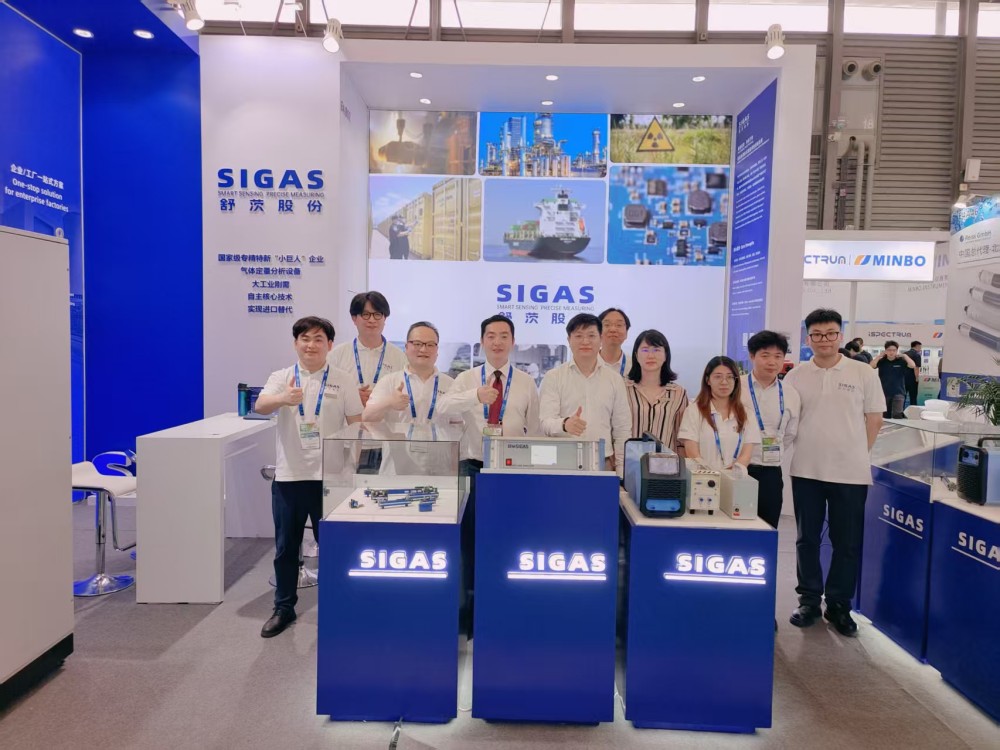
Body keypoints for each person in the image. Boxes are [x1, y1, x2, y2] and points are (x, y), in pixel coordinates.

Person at [254, 316, 363, 638]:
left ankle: (338, 607)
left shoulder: (343, 379)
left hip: (331, 478)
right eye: (304, 338)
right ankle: (283, 607)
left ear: (329, 345)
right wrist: (283, 399)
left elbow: (356, 422)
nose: (311, 345)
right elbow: (260, 405)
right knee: (286, 548)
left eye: (318, 339)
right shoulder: (282, 377)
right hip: (290, 476)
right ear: (295, 343)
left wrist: (354, 466)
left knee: (334, 547)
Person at [783, 309, 884, 637]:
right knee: (807, 538)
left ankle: (839, 604)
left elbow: (875, 418)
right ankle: (809, 600)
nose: (823, 340)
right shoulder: (796, 375)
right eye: (816, 334)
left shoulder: (863, 372)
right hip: (806, 469)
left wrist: (857, 452)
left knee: (847, 542)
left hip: (850, 473)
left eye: (830, 333)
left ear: (841, 335)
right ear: (808, 338)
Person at [437, 315, 541, 633]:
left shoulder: (526, 382)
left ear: (512, 341)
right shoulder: (466, 378)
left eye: (504, 336)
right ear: (482, 341)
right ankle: (469, 612)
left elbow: (534, 431)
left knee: (507, 542)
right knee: (468, 543)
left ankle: (504, 608)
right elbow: (442, 408)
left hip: (511, 473)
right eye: (491, 336)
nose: (497, 342)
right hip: (472, 468)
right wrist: (475, 396)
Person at [539, 313, 632, 474]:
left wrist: (622, 472)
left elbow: (622, 429)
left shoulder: (614, 379)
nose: (585, 341)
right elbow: (545, 422)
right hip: (562, 461)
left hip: (602, 462)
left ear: (601, 339)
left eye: (591, 335)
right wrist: (565, 424)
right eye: (578, 336)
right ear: (569, 340)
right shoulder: (553, 377)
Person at [740, 331, 800, 529]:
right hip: (738, 469)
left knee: (767, 529)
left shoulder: (790, 393)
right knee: (736, 529)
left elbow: (790, 433)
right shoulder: (736, 387)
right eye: (765, 355)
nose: (772, 362)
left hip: (770, 472)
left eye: (778, 356)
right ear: (752, 356)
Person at [362, 321, 455, 426]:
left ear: (437, 350)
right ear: (406, 348)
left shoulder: (451, 385)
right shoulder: (389, 381)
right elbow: (366, 418)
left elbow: (457, 425)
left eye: (430, 345)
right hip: (398, 437)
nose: (423, 349)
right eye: (417, 344)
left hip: (438, 437)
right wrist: (389, 402)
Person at [678, 356, 759, 471]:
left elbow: (746, 455)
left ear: (736, 381)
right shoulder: (693, 411)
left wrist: (730, 474)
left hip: (735, 478)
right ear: (708, 380)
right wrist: (710, 475)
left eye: (730, 377)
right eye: (718, 377)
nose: (724, 382)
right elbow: (692, 453)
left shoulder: (747, 414)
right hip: (703, 477)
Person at [329, 291, 407, 408]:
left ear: (384, 318)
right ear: (354, 319)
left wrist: (385, 399)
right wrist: (351, 397)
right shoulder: (337, 354)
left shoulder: (400, 357)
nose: (372, 320)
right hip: (348, 418)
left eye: (377, 314)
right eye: (365, 314)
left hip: (386, 418)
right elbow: (325, 392)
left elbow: (407, 394)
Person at [624, 330, 688, 452]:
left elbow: (681, 439)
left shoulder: (678, 393)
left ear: (665, 355)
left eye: (656, 350)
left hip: (665, 461)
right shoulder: (623, 389)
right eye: (645, 350)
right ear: (636, 355)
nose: (650, 355)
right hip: (630, 460)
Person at [871, 340, 916, 419]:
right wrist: (879, 356)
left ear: (897, 351)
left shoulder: (901, 361)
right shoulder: (882, 361)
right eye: (889, 350)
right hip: (884, 392)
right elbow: (871, 366)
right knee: (885, 416)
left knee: (897, 415)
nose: (891, 352)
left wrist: (905, 356)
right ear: (885, 351)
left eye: (894, 350)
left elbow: (913, 365)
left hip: (899, 392)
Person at [598, 307, 631, 377]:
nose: (613, 329)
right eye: (607, 325)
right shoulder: (587, 363)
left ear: (626, 333)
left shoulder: (634, 366)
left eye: (619, 325)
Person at [904, 340, 923, 407]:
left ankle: (901, 411)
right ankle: (913, 411)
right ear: (917, 346)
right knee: (913, 397)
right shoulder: (917, 355)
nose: (920, 349)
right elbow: (916, 368)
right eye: (920, 347)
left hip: (903, 378)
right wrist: (917, 378)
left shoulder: (905, 354)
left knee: (903, 396)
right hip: (912, 379)